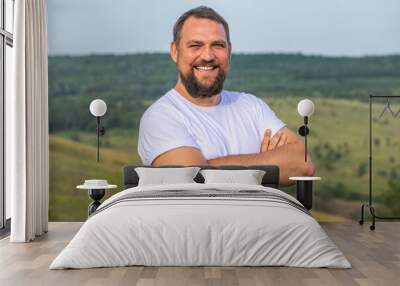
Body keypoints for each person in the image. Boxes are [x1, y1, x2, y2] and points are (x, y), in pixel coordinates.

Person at [138, 6, 314, 186]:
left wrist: (209, 166)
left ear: (229, 51)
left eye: (218, 45)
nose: (207, 56)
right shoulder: (160, 117)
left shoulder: (251, 106)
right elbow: (193, 181)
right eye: (195, 45)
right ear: (175, 51)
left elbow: (303, 164)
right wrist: (266, 161)